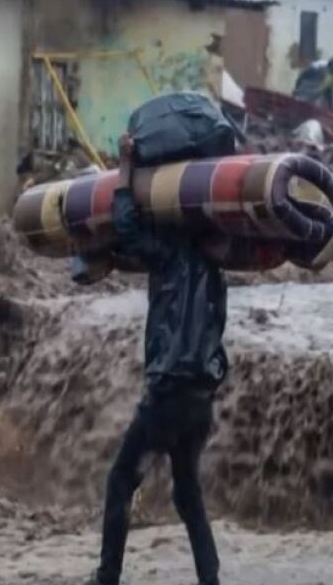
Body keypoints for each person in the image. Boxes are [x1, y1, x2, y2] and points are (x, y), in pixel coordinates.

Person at [86, 133, 229, 585]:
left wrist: (125, 168)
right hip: (201, 398)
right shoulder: (216, 275)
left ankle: (108, 576)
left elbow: (126, 225)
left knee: (120, 480)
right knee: (188, 495)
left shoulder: (168, 258)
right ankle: (211, 580)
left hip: (167, 393)